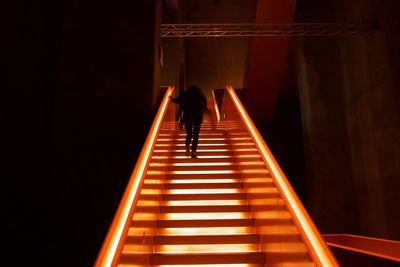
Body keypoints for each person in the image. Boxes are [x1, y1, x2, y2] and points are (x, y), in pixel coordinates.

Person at [170, 85, 208, 158]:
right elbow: (205, 102)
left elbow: (178, 100)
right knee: (196, 135)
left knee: (189, 134)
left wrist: (172, 99)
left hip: (188, 117)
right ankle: (193, 152)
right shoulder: (199, 93)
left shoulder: (185, 94)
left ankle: (187, 149)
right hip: (197, 117)